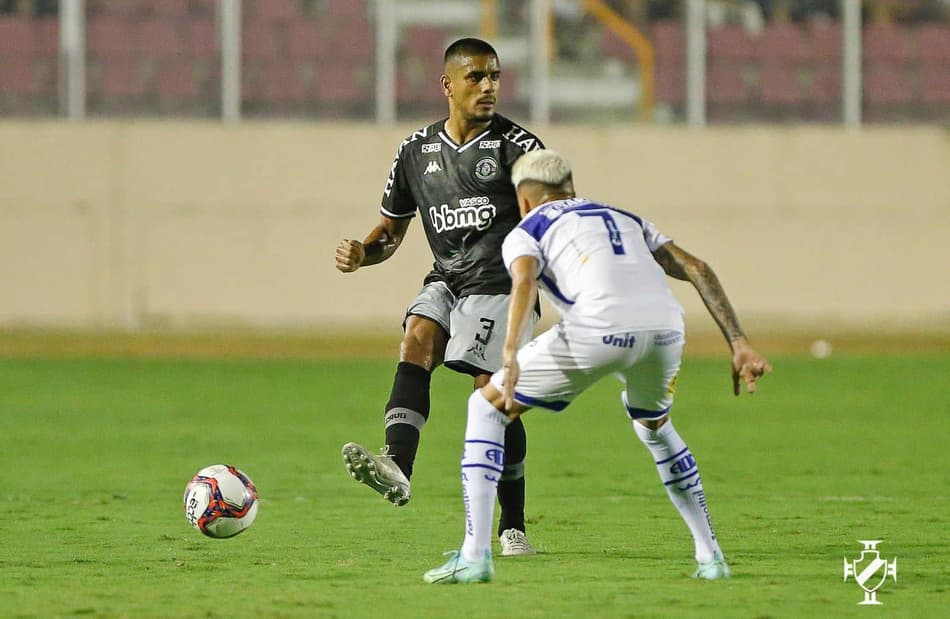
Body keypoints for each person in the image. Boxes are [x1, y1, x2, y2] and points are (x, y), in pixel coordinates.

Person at [423, 150, 772, 584]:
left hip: (597, 329)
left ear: (524, 199)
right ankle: (711, 557)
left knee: (486, 407)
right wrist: (738, 343)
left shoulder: (527, 229)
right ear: (570, 187)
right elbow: (696, 267)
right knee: (654, 427)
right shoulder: (626, 218)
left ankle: (474, 556)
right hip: (665, 330)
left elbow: (525, 281)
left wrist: (509, 352)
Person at [335, 38, 546, 556]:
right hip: (448, 278)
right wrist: (364, 252)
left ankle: (512, 525)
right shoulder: (415, 152)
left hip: (501, 285)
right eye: (476, 77)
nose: (489, 86)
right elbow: (390, 231)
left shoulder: (520, 148)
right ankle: (397, 466)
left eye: (495, 76)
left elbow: (552, 223)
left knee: (491, 398)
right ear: (448, 85)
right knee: (416, 339)